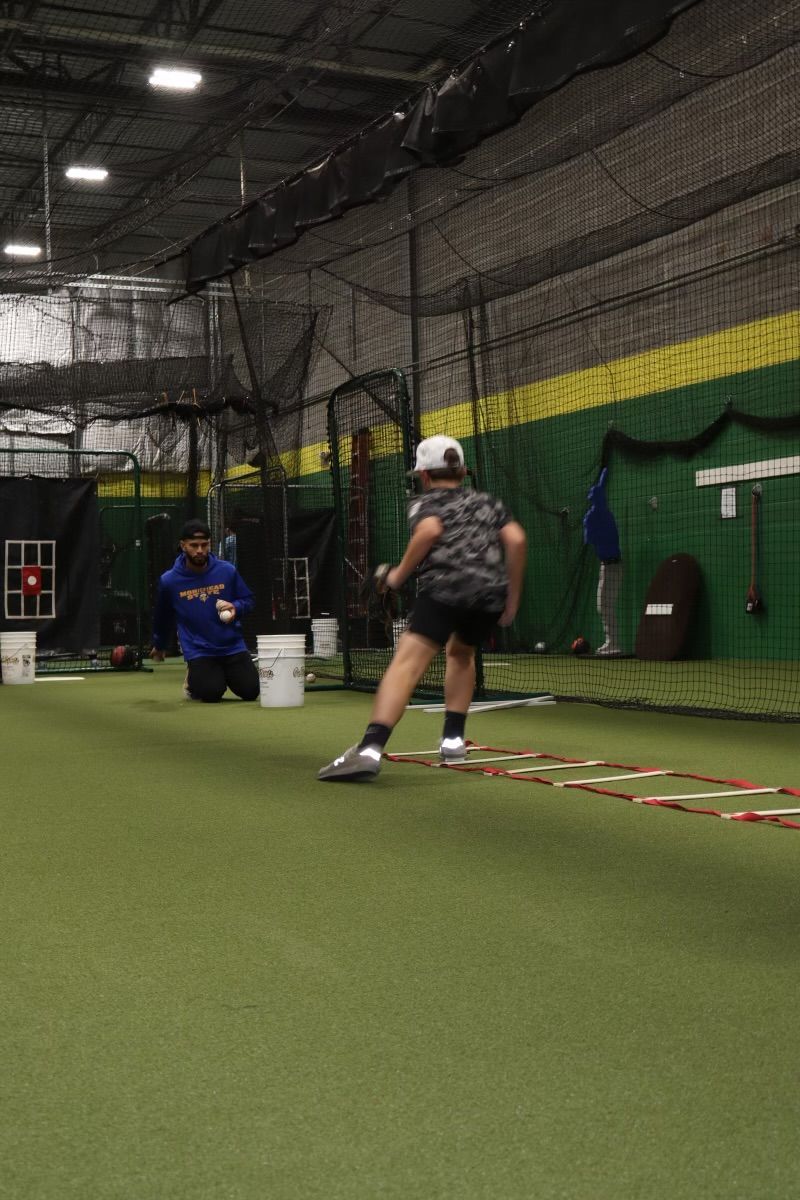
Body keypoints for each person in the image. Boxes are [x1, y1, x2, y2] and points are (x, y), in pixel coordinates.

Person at [318, 435, 527, 782]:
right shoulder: (489, 502)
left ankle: (369, 749)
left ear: (425, 475)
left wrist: (397, 576)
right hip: (489, 595)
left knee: (406, 664)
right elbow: (517, 540)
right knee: (461, 653)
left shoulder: (424, 503)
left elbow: (429, 531)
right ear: (462, 472)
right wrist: (512, 598)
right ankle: (453, 741)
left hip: (445, 592)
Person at [150, 517, 260, 702]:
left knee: (251, 691)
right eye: (194, 545)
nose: (200, 550)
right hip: (199, 650)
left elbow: (248, 600)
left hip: (232, 646)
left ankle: (220, 673)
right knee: (211, 693)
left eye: (204, 545)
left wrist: (236, 607)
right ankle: (193, 679)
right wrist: (159, 645)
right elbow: (163, 616)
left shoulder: (227, 571)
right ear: (183, 546)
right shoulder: (169, 581)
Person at [583, 466, 623, 656]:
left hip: (611, 566)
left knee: (605, 606)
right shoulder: (605, 513)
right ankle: (612, 642)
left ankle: (613, 643)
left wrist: (588, 524)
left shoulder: (594, 516)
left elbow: (589, 539)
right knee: (605, 606)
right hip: (610, 565)